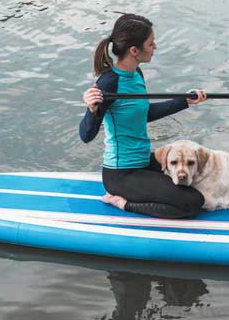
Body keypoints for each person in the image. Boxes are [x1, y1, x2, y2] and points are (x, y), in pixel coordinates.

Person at [79, 13, 207, 219]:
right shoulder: (109, 83)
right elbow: (86, 135)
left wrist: (184, 101)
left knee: (200, 174)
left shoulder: (136, 74)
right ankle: (123, 203)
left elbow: (142, 114)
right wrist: (92, 110)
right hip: (121, 174)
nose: (154, 47)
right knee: (193, 203)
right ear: (134, 50)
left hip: (143, 161)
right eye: (151, 43)